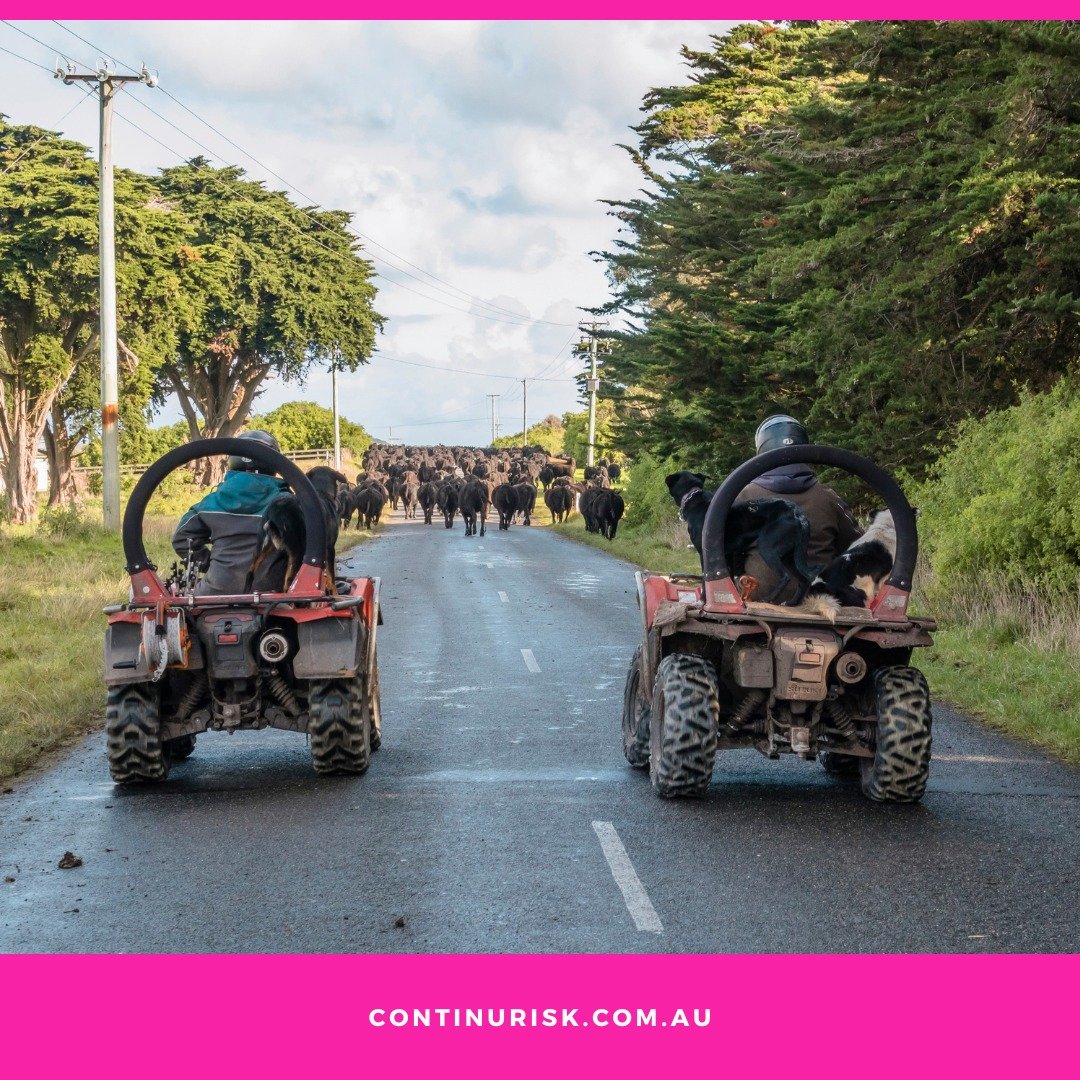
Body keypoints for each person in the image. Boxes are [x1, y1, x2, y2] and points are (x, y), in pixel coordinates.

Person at [735, 415, 861, 602]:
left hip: (757, 596)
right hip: (820, 599)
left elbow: (721, 548)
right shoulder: (828, 497)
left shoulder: (742, 496)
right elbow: (857, 546)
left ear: (761, 450)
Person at [172, 430, 289, 596]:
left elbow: (181, 539)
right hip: (270, 595)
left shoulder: (210, 502)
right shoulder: (286, 503)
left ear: (233, 459)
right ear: (274, 461)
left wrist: (209, 564)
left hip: (213, 593)